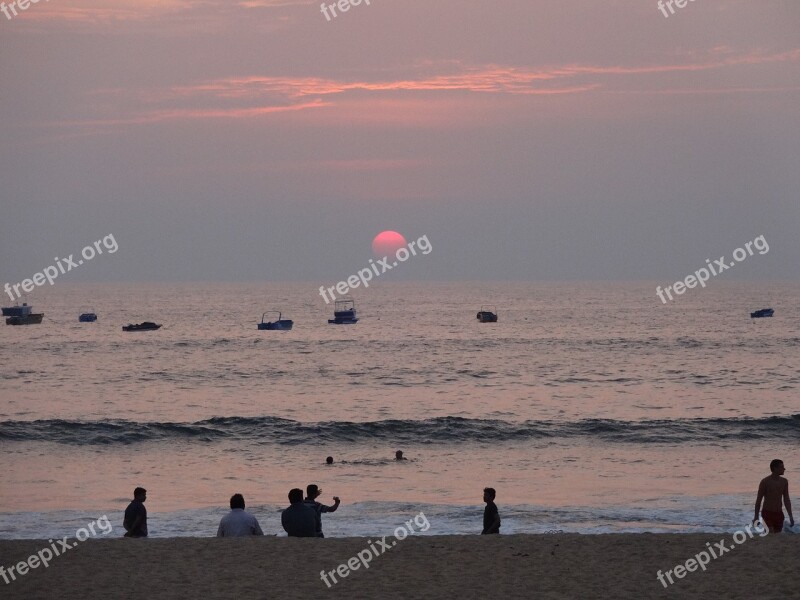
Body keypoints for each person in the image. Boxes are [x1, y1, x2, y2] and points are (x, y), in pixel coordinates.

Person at [754, 459, 794, 534]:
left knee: (777, 535)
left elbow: (786, 499)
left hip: (779, 514)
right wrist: (756, 517)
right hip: (767, 513)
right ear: (775, 468)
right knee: (770, 534)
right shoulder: (765, 481)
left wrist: (790, 516)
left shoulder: (784, 482)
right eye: (782, 467)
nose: (784, 469)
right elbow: (758, 500)